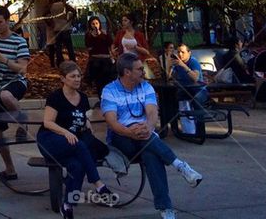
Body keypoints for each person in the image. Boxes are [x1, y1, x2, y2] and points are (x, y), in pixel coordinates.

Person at [102, 53, 202, 219]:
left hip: (144, 135)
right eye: (140, 69)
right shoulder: (110, 90)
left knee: (150, 154)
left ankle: (166, 208)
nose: (144, 71)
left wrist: (148, 127)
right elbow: (112, 122)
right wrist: (131, 132)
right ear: (127, 72)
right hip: (121, 138)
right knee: (148, 143)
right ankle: (180, 166)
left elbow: (152, 113)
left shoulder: (146, 87)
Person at [37, 61, 114, 219]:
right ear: (63, 79)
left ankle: (67, 206)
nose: (77, 79)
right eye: (72, 76)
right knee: (81, 145)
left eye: (79, 76)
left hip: (72, 144)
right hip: (51, 139)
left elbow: (82, 116)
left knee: (78, 166)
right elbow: (48, 122)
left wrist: (88, 124)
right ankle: (98, 184)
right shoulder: (55, 97)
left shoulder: (83, 98)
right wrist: (66, 133)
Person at [0, 5, 31, 181]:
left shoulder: (19, 41)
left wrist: (4, 60)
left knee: (6, 95)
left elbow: (23, 70)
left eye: (0, 22)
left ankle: (22, 122)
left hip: (17, 82)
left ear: (8, 21)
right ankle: (10, 169)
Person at [84, 16, 114, 92]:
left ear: (99, 24)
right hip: (95, 59)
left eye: (96, 23)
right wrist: (93, 37)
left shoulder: (105, 33)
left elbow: (110, 45)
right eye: (93, 24)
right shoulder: (88, 35)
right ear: (90, 25)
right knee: (98, 79)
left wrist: (112, 55)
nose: (95, 25)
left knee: (107, 78)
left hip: (105, 58)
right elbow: (89, 48)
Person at [49, 0, 77, 66]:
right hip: (65, 28)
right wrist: (70, 19)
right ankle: (73, 60)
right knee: (69, 46)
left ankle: (60, 62)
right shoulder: (63, 5)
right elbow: (73, 10)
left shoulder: (51, 6)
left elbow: (44, 14)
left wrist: (50, 23)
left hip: (57, 28)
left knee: (58, 47)